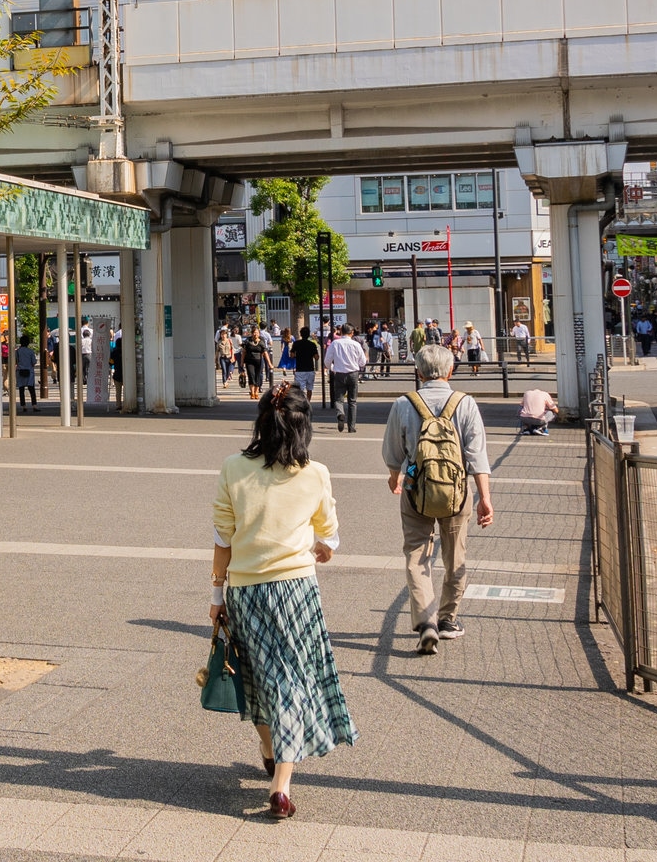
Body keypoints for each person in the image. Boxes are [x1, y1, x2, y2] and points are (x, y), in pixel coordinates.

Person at [211, 390, 353, 820]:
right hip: (295, 589)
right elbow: (328, 534)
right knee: (293, 680)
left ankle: (271, 749)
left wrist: (217, 597)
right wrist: (323, 549)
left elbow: (223, 541)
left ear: (262, 423)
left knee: (254, 677)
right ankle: (282, 786)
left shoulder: (233, 469)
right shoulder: (315, 474)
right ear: (302, 426)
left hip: (245, 590)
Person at [381, 344, 495, 651]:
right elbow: (477, 456)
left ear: (418, 371)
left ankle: (426, 623)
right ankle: (447, 620)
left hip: (415, 488)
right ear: (451, 370)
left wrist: (396, 479)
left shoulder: (404, 403)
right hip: (456, 493)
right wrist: (484, 498)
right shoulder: (465, 403)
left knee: (417, 555)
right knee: (455, 555)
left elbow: (392, 454)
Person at [322, 324, 368, 433]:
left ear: (340, 332)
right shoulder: (356, 344)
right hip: (353, 374)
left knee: (338, 399)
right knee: (352, 401)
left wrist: (333, 368)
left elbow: (327, 361)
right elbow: (362, 362)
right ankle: (351, 427)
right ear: (352, 333)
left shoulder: (335, 343)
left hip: (339, 373)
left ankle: (340, 413)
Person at [289, 326, 321, 400]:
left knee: (299, 389)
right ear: (308, 334)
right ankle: (308, 402)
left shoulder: (296, 343)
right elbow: (316, 357)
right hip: (310, 369)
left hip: (300, 369)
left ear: (301, 334)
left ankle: (300, 403)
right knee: (309, 388)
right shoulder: (312, 344)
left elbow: (292, 355)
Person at [240, 328, 271, 397]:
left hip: (259, 361)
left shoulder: (261, 342)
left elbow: (265, 352)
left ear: (259, 333)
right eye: (254, 332)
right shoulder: (248, 341)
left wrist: (269, 363)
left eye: (256, 332)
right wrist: (242, 362)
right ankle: (252, 392)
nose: (255, 334)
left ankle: (256, 392)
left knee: (258, 376)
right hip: (249, 361)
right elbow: (244, 352)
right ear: (251, 333)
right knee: (251, 375)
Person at [14, 336, 39, 413]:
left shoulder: (17, 351)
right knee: (31, 389)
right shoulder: (30, 351)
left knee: (21, 390)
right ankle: (34, 405)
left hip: (20, 371)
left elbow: (15, 361)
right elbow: (34, 362)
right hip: (29, 372)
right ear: (28, 343)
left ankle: (24, 406)